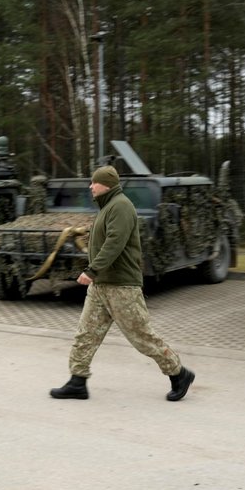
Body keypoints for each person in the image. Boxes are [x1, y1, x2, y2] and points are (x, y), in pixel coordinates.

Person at [49, 165, 194, 402]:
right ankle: (77, 381)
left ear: (105, 184)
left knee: (142, 337)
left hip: (121, 286)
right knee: (86, 334)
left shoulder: (122, 207)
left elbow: (114, 243)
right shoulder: (107, 207)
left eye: (93, 182)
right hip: (101, 287)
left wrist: (92, 270)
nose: (90, 187)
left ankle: (179, 373)